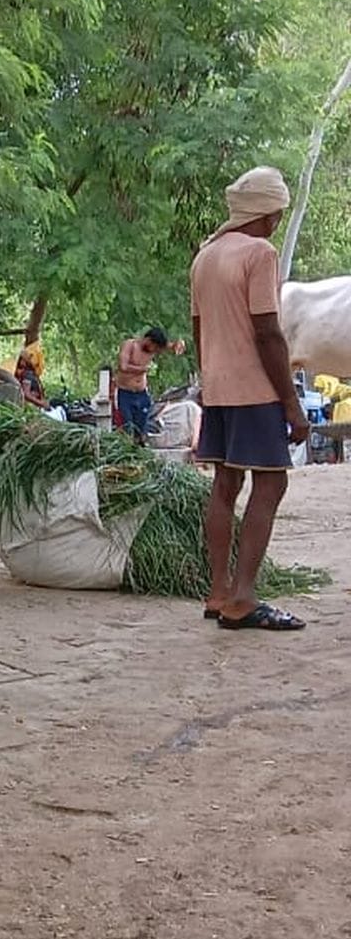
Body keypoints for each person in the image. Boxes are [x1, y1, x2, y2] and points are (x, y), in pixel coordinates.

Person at [190, 164, 308, 631]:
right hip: (255, 387)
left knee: (224, 485)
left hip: (218, 388)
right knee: (272, 484)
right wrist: (291, 405)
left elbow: (198, 330)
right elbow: (268, 333)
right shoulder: (260, 253)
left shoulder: (206, 255)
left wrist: (210, 379)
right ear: (269, 211)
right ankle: (243, 599)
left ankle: (218, 591)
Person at [115, 325, 184, 441]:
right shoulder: (130, 345)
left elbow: (171, 346)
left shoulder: (154, 349)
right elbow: (123, 366)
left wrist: (178, 344)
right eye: (154, 347)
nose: (155, 351)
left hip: (141, 393)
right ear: (148, 340)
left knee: (141, 428)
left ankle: (139, 448)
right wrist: (141, 370)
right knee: (127, 427)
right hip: (126, 393)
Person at [14, 341, 48, 408]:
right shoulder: (27, 374)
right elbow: (26, 394)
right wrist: (41, 403)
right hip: (31, 407)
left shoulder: (30, 373)